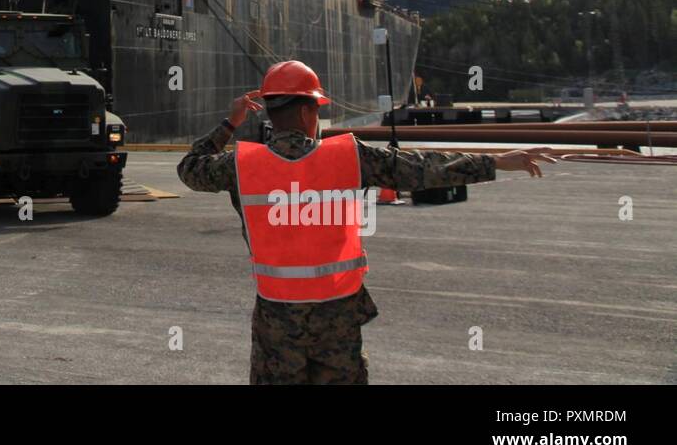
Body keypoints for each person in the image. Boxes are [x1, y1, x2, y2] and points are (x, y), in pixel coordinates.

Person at [177, 60, 556, 385]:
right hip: (338, 320)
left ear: (271, 113)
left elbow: (189, 168)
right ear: (310, 112)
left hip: (277, 321)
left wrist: (230, 122)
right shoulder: (349, 158)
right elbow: (422, 170)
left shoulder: (242, 166)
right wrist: (498, 161)